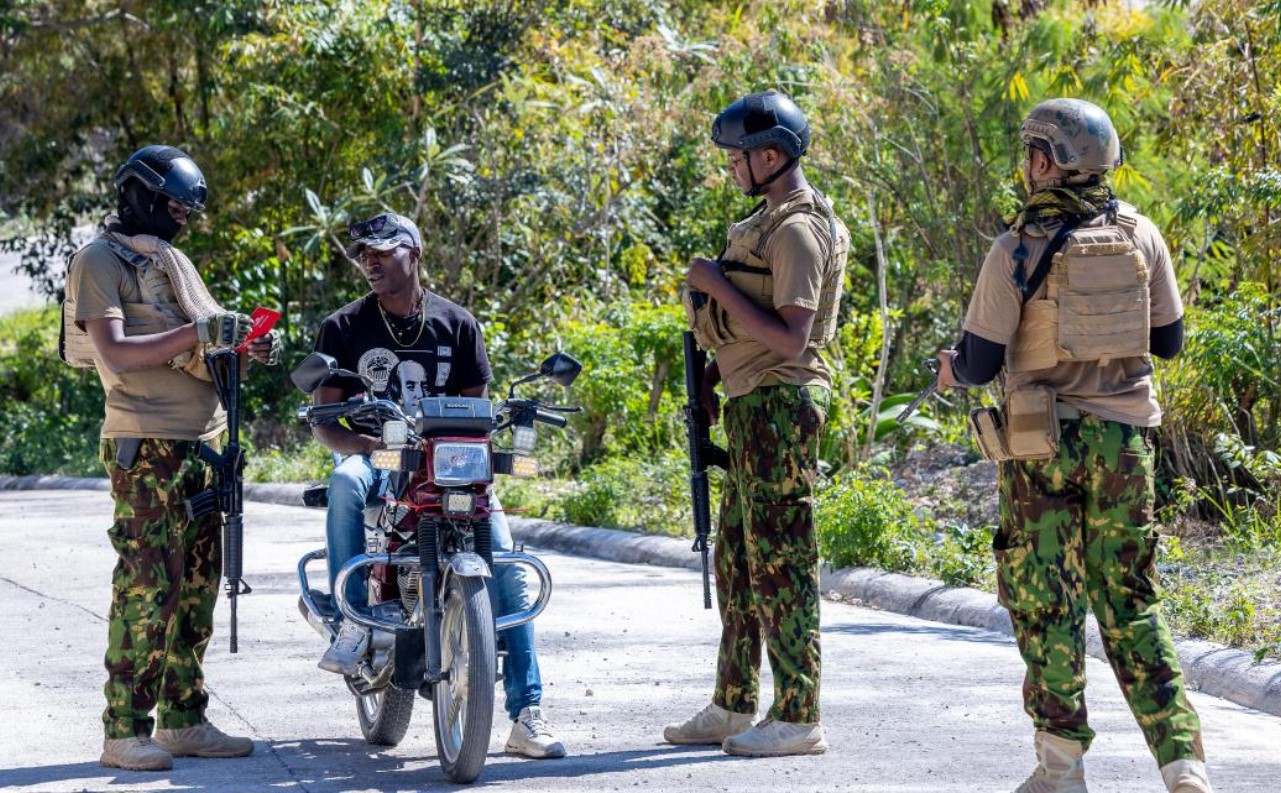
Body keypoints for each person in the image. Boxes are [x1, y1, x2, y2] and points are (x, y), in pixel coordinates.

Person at [934, 98, 1212, 793]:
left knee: (1045, 600)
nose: (1024, 166)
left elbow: (977, 361)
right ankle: (1182, 761)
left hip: (1039, 444)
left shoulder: (1014, 249)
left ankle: (1060, 767)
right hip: (1123, 445)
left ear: (1045, 162)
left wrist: (951, 367)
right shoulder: (1140, 235)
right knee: (1132, 600)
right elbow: (1169, 342)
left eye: (1030, 152)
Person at [307, 211, 566, 760]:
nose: (369, 262)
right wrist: (367, 449)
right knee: (345, 482)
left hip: (447, 465)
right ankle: (351, 621)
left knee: (506, 564)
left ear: (414, 252)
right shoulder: (344, 327)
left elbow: (476, 410)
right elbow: (325, 421)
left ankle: (527, 713)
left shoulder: (458, 322)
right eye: (363, 255)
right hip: (378, 457)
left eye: (381, 251)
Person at [63, 145, 282, 771]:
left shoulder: (172, 262)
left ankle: (184, 719)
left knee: (195, 589)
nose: (182, 217)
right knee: (146, 585)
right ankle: (123, 729)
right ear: (139, 195)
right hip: (146, 444)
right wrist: (198, 333)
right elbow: (119, 353)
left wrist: (244, 348)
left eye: (188, 208)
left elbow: (207, 347)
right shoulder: (99, 261)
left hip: (204, 444)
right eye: (174, 205)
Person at [668, 91, 849, 757]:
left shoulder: (797, 229)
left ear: (771, 155)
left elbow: (793, 338)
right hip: (751, 402)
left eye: (738, 157)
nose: (731, 168)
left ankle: (799, 713)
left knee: (782, 561)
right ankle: (732, 701)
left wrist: (713, 286)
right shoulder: (766, 220)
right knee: (738, 561)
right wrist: (714, 381)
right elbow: (753, 328)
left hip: (782, 403)